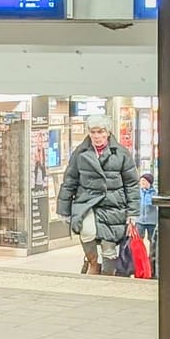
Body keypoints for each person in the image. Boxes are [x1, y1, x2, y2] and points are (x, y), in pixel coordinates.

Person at [57, 114, 139, 276]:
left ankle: (108, 278)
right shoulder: (80, 153)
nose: (97, 136)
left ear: (107, 132)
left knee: (109, 247)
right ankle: (93, 263)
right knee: (86, 231)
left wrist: (133, 213)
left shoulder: (121, 154)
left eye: (100, 132)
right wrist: (63, 209)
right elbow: (70, 181)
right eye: (93, 132)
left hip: (113, 206)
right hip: (87, 203)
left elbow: (131, 184)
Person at [138, 172, 158, 263]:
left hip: (151, 221)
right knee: (138, 239)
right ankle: (140, 257)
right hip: (139, 220)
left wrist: (148, 193)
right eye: (141, 181)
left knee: (152, 240)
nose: (142, 183)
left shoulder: (154, 193)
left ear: (149, 183)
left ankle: (151, 259)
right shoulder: (138, 192)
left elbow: (152, 203)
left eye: (144, 181)